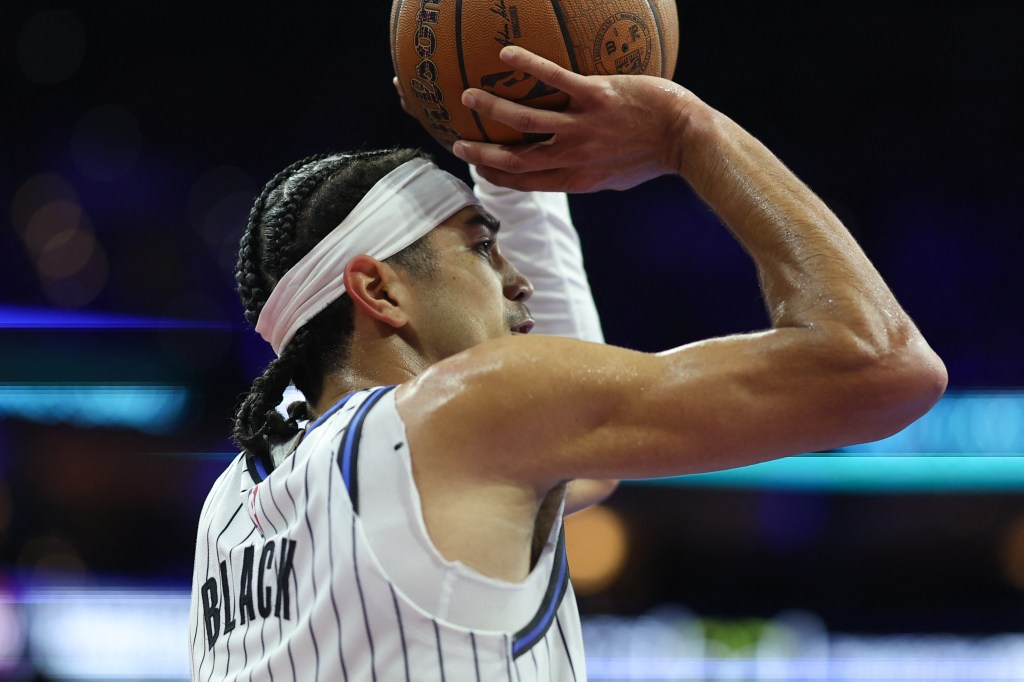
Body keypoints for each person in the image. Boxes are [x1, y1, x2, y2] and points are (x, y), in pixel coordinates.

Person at [188, 46, 947, 681]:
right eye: (481, 249)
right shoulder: (457, 414)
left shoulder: (233, 505)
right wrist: (688, 131)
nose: (518, 280)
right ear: (379, 291)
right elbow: (882, 366)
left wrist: (506, 164)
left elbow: (580, 450)